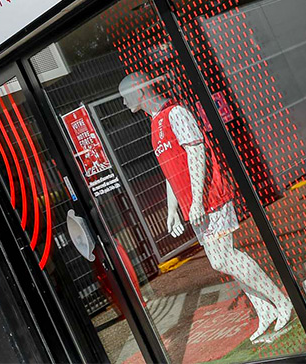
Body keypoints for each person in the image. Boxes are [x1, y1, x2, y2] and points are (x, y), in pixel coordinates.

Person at [119, 71, 293, 343]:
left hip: (211, 200)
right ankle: (265, 309)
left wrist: (198, 200)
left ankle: (280, 301)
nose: (124, 102)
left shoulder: (176, 113)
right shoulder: (154, 125)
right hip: (195, 207)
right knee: (221, 260)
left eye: (126, 96)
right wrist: (172, 210)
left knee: (225, 257)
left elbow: (196, 151)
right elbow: (170, 172)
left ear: (140, 92)